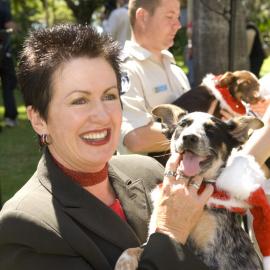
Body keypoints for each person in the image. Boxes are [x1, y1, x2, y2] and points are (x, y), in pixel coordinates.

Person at [0, 24, 214, 269]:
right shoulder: (25, 226)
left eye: (110, 96)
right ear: (38, 119)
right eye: (79, 100)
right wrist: (169, 232)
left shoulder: (149, 173)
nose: (102, 116)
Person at [118, 0, 190, 164]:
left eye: (178, 17)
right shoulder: (126, 70)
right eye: (169, 17)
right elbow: (135, 138)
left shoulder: (177, 72)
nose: (178, 25)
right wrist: (196, 131)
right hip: (146, 183)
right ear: (142, 16)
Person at [0, 0, 18, 127]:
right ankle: (10, 117)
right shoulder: (3, 4)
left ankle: (10, 117)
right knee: (8, 83)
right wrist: (16, 28)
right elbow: (9, 25)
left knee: (8, 83)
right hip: (3, 50)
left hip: (4, 50)